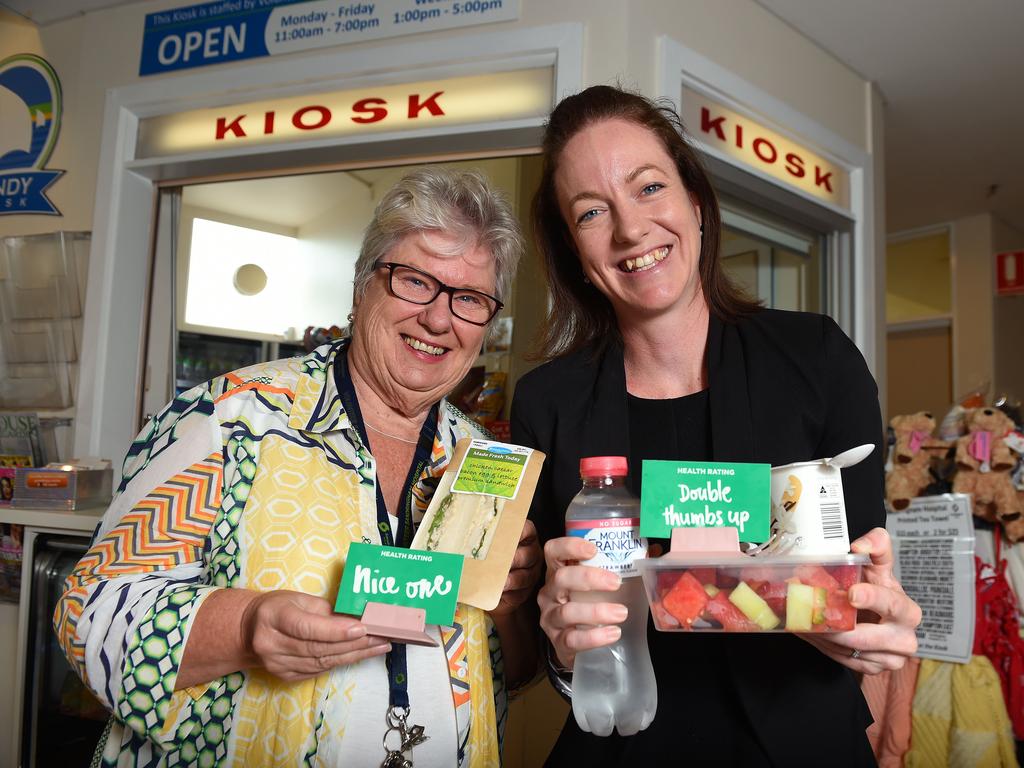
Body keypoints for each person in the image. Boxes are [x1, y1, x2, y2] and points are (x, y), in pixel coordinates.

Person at [55, 167, 542, 768]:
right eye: (416, 281)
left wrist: (510, 605)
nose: (439, 319)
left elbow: (509, 675)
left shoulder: (481, 460)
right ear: (363, 285)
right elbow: (90, 612)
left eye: (469, 299)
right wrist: (247, 626)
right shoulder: (230, 419)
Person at [510, 86, 922, 766]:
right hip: (620, 745)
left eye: (648, 187)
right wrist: (561, 640)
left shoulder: (816, 359)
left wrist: (886, 696)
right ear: (571, 248)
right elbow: (539, 643)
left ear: (694, 201)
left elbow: (872, 572)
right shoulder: (546, 403)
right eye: (591, 212)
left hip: (805, 743)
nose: (630, 229)